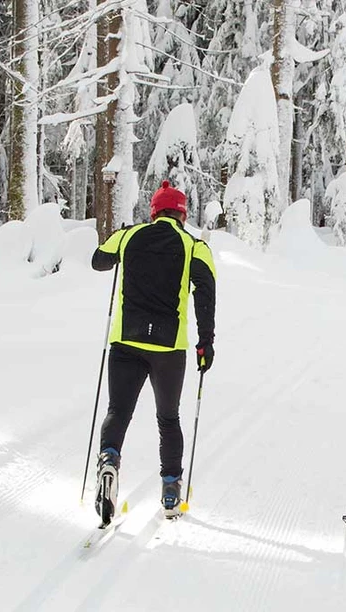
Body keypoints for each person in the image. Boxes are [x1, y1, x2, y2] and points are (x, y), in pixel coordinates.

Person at [91, 181, 216, 525]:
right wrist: (207, 341)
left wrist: (117, 240)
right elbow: (206, 294)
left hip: (125, 342)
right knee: (168, 419)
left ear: (154, 211)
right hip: (169, 348)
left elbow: (98, 262)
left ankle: (108, 461)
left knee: (118, 411)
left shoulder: (130, 236)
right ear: (182, 214)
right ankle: (172, 491)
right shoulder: (194, 246)